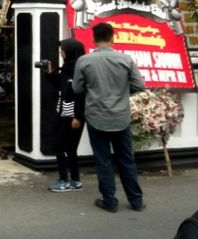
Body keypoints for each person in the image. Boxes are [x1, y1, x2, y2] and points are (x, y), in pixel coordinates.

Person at [72, 22, 146, 213]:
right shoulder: (126, 60)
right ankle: (136, 201)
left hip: (97, 117)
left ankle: (110, 201)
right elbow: (140, 85)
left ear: (93, 39)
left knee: (103, 160)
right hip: (121, 117)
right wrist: (121, 93)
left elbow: (77, 89)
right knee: (126, 159)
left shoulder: (84, 61)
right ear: (113, 37)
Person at [43, 38, 86, 193]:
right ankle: (75, 180)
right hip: (64, 113)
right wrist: (49, 73)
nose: (61, 52)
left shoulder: (78, 71)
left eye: (63, 49)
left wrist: (77, 117)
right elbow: (61, 87)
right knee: (70, 148)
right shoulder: (68, 68)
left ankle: (64, 180)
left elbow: (81, 95)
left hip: (71, 116)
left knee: (60, 146)